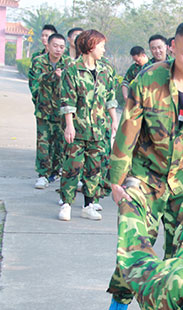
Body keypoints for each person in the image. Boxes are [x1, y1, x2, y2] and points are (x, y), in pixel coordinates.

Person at [105, 19, 183, 310]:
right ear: (173, 48)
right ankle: (121, 295)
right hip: (145, 178)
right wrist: (117, 181)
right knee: (135, 246)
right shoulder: (148, 80)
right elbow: (127, 133)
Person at [58, 29, 118, 222]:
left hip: (99, 129)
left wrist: (114, 120)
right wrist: (69, 125)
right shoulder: (73, 70)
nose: (104, 49)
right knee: (72, 166)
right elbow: (68, 100)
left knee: (95, 168)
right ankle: (66, 203)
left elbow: (110, 97)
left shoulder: (105, 70)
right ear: (91, 46)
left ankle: (88, 205)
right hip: (78, 127)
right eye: (101, 45)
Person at [28, 33, 70, 190]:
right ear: (48, 46)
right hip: (44, 110)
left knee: (60, 143)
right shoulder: (39, 62)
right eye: (55, 46)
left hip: (62, 111)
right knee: (44, 143)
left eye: (61, 47)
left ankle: (55, 172)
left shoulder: (67, 63)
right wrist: (53, 76)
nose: (58, 50)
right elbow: (35, 82)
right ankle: (42, 174)